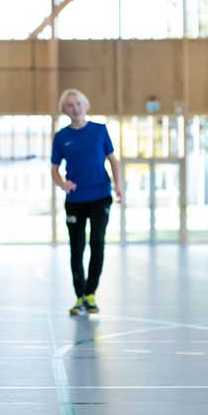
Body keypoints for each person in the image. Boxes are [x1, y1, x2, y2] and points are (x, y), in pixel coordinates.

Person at [51, 89, 123, 316]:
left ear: (86, 105)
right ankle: (79, 296)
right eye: (70, 105)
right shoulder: (61, 137)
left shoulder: (100, 130)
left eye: (78, 103)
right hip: (75, 200)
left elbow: (113, 159)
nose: (75, 108)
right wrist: (62, 184)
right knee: (77, 247)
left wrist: (118, 184)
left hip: (100, 195)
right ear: (64, 110)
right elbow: (54, 168)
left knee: (97, 242)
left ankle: (91, 294)